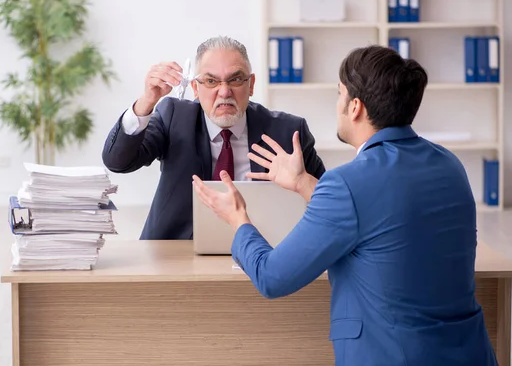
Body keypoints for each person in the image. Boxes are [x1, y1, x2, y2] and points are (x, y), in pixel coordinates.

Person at [192, 45, 497, 365]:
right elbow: (380, 218)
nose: (335, 105)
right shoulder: (449, 164)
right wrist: (303, 183)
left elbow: (272, 277)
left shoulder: (347, 183)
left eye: (338, 94)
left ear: (354, 107)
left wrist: (239, 220)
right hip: (470, 353)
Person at [102, 36, 326, 240]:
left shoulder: (288, 132)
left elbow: (331, 202)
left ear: (251, 85)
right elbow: (118, 161)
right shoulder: (173, 116)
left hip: (263, 254)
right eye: (211, 81)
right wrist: (146, 101)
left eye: (236, 79)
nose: (224, 91)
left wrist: (303, 182)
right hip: (177, 255)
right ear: (195, 89)